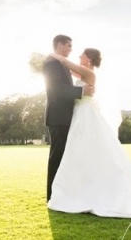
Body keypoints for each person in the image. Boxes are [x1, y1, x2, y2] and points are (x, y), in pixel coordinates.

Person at [47, 48, 131, 217]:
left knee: (86, 148)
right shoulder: (83, 74)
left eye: (82, 54)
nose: (79, 56)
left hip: (86, 115)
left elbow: (66, 63)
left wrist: (51, 55)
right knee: (80, 151)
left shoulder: (88, 73)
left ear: (88, 59)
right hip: (80, 115)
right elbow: (67, 71)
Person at [43, 35, 94, 202]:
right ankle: (53, 196)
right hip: (59, 117)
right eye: (68, 46)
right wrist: (80, 92)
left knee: (65, 157)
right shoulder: (52, 63)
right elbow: (56, 89)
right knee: (57, 157)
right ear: (59, 45)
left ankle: (63, 194)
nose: (71, 50)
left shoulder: (60, 63)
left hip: (66, 116)